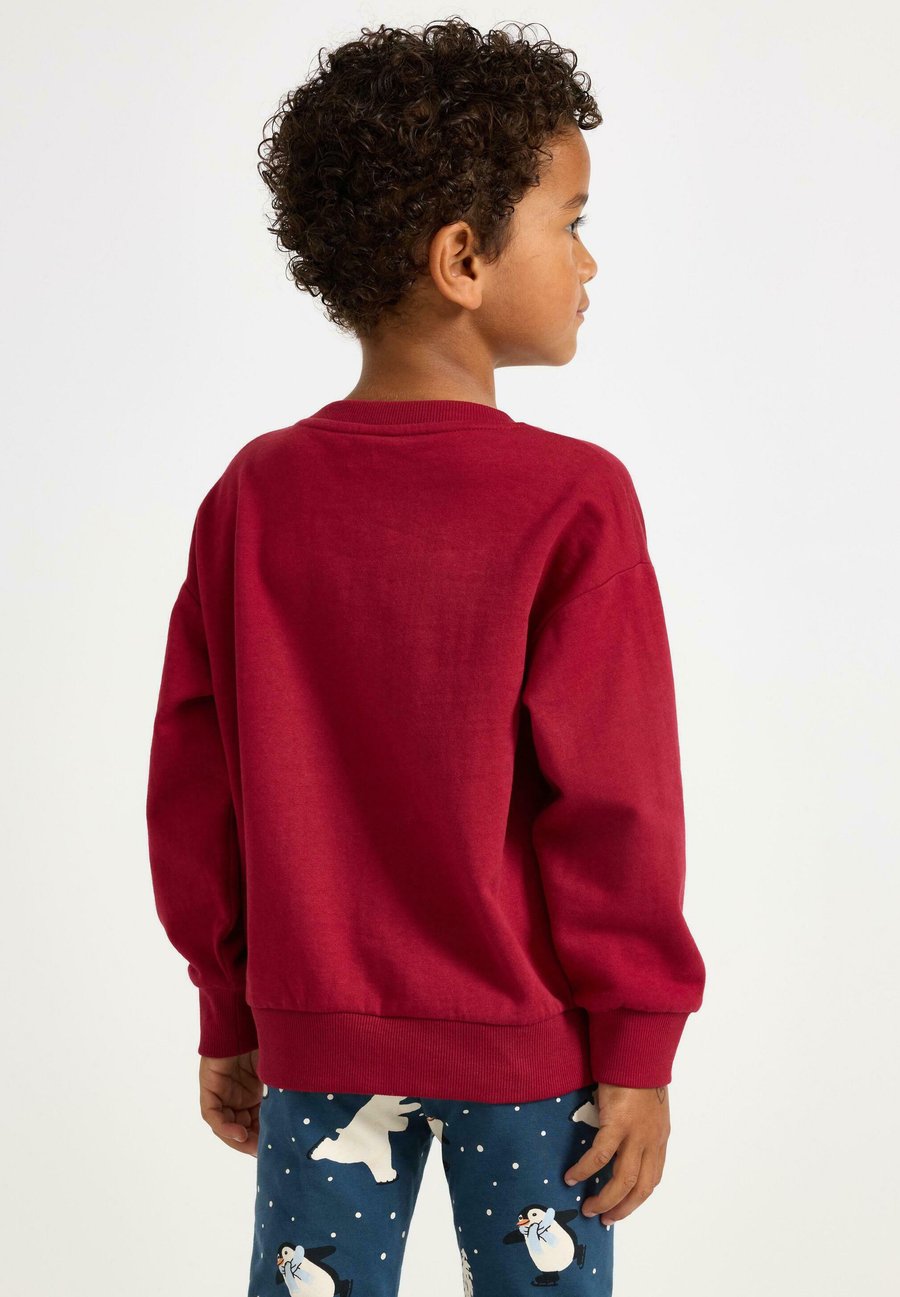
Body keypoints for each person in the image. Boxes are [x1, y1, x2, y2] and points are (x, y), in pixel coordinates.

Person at [145, 18, 706, 1296]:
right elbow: (617, 802)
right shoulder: (572, 500)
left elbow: (195, 791)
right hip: (531, 1050)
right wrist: (638, 1043)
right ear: (463, 258)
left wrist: (229, 1005)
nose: (589, 259)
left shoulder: (254, 495)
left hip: (316, 1043)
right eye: (570, 223)